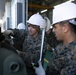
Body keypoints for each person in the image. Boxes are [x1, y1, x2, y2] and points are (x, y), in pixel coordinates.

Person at [34, 1, 76, 75]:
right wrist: (47, 31)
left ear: (65, 28)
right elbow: (54, 43)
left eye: (55, 27)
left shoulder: (73, 57)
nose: (53, 30)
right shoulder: (63, 45)